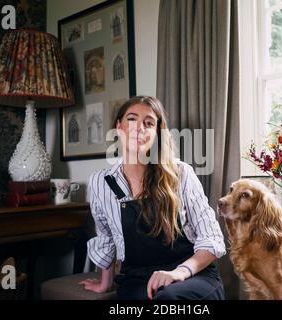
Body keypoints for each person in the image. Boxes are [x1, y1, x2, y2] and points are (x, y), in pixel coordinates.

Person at [79, 96, 226, 300]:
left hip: (191, 275)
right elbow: (106, 237)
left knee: (167, 299)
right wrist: (105, 283)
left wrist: (179, 272)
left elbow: (212, 239)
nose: (139, 127)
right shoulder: (100, 183)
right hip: (137, 279)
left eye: (148, 123)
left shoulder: (181, 173)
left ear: (156, 133)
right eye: (131, 119)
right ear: (118, 126)